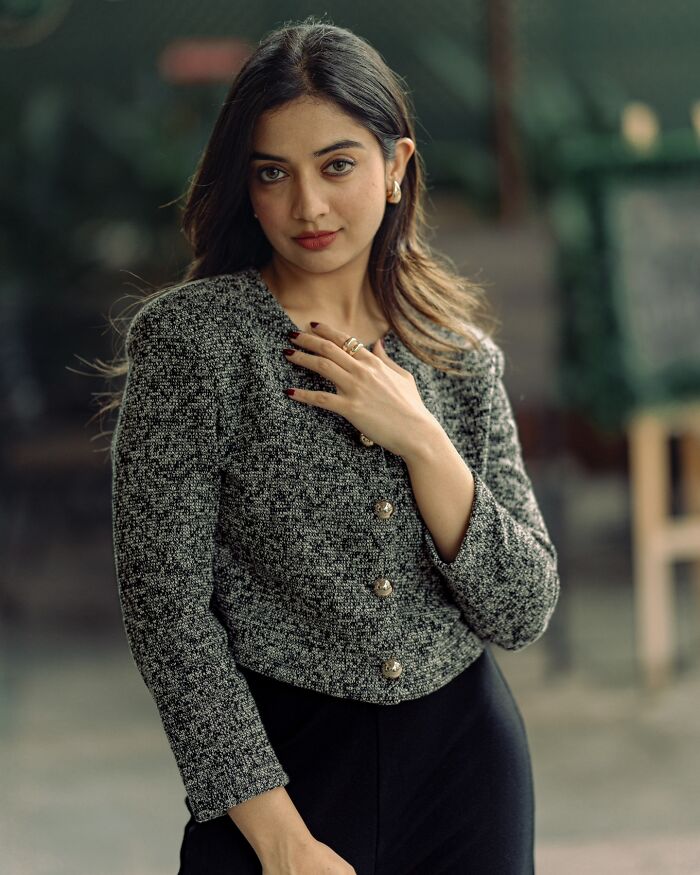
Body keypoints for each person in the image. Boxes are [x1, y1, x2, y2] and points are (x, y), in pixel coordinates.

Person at [108, 16, 560, 875]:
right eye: (273, 173)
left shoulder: (459, 360)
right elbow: (168, 615)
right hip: (272, 778)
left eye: (337, 165)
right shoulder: (194, 344)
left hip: (466, 774)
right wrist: (283, 844)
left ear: (396, 168)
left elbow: (523, 608)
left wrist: (423, 439)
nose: (307, 205)